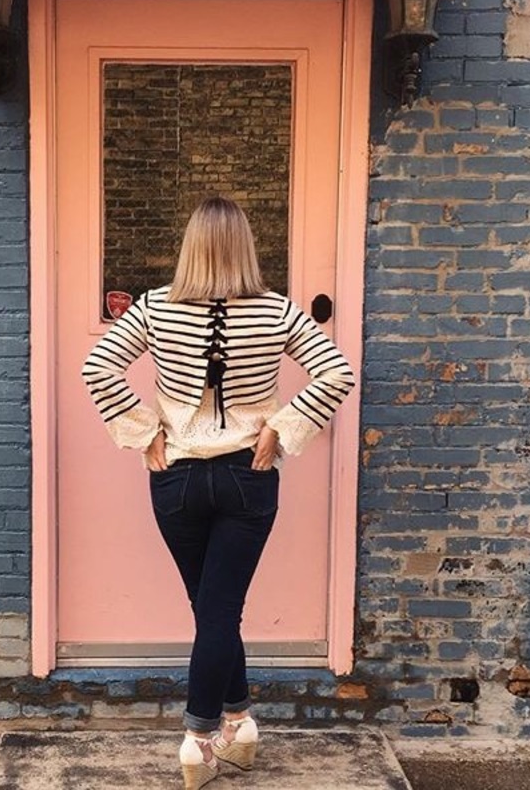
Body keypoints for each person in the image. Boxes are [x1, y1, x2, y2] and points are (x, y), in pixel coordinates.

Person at [81, 195, 355, 790]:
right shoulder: (278, 311)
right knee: (218, 609)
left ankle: (211, 732)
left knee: (210, 608)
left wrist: (145, 430)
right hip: (246, 479)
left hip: (177, 478)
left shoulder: (154, 309)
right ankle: (225, 726)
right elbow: (337, 372)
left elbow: (97, 367)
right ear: (245, 247)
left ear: (191, 247)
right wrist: (281, 428)